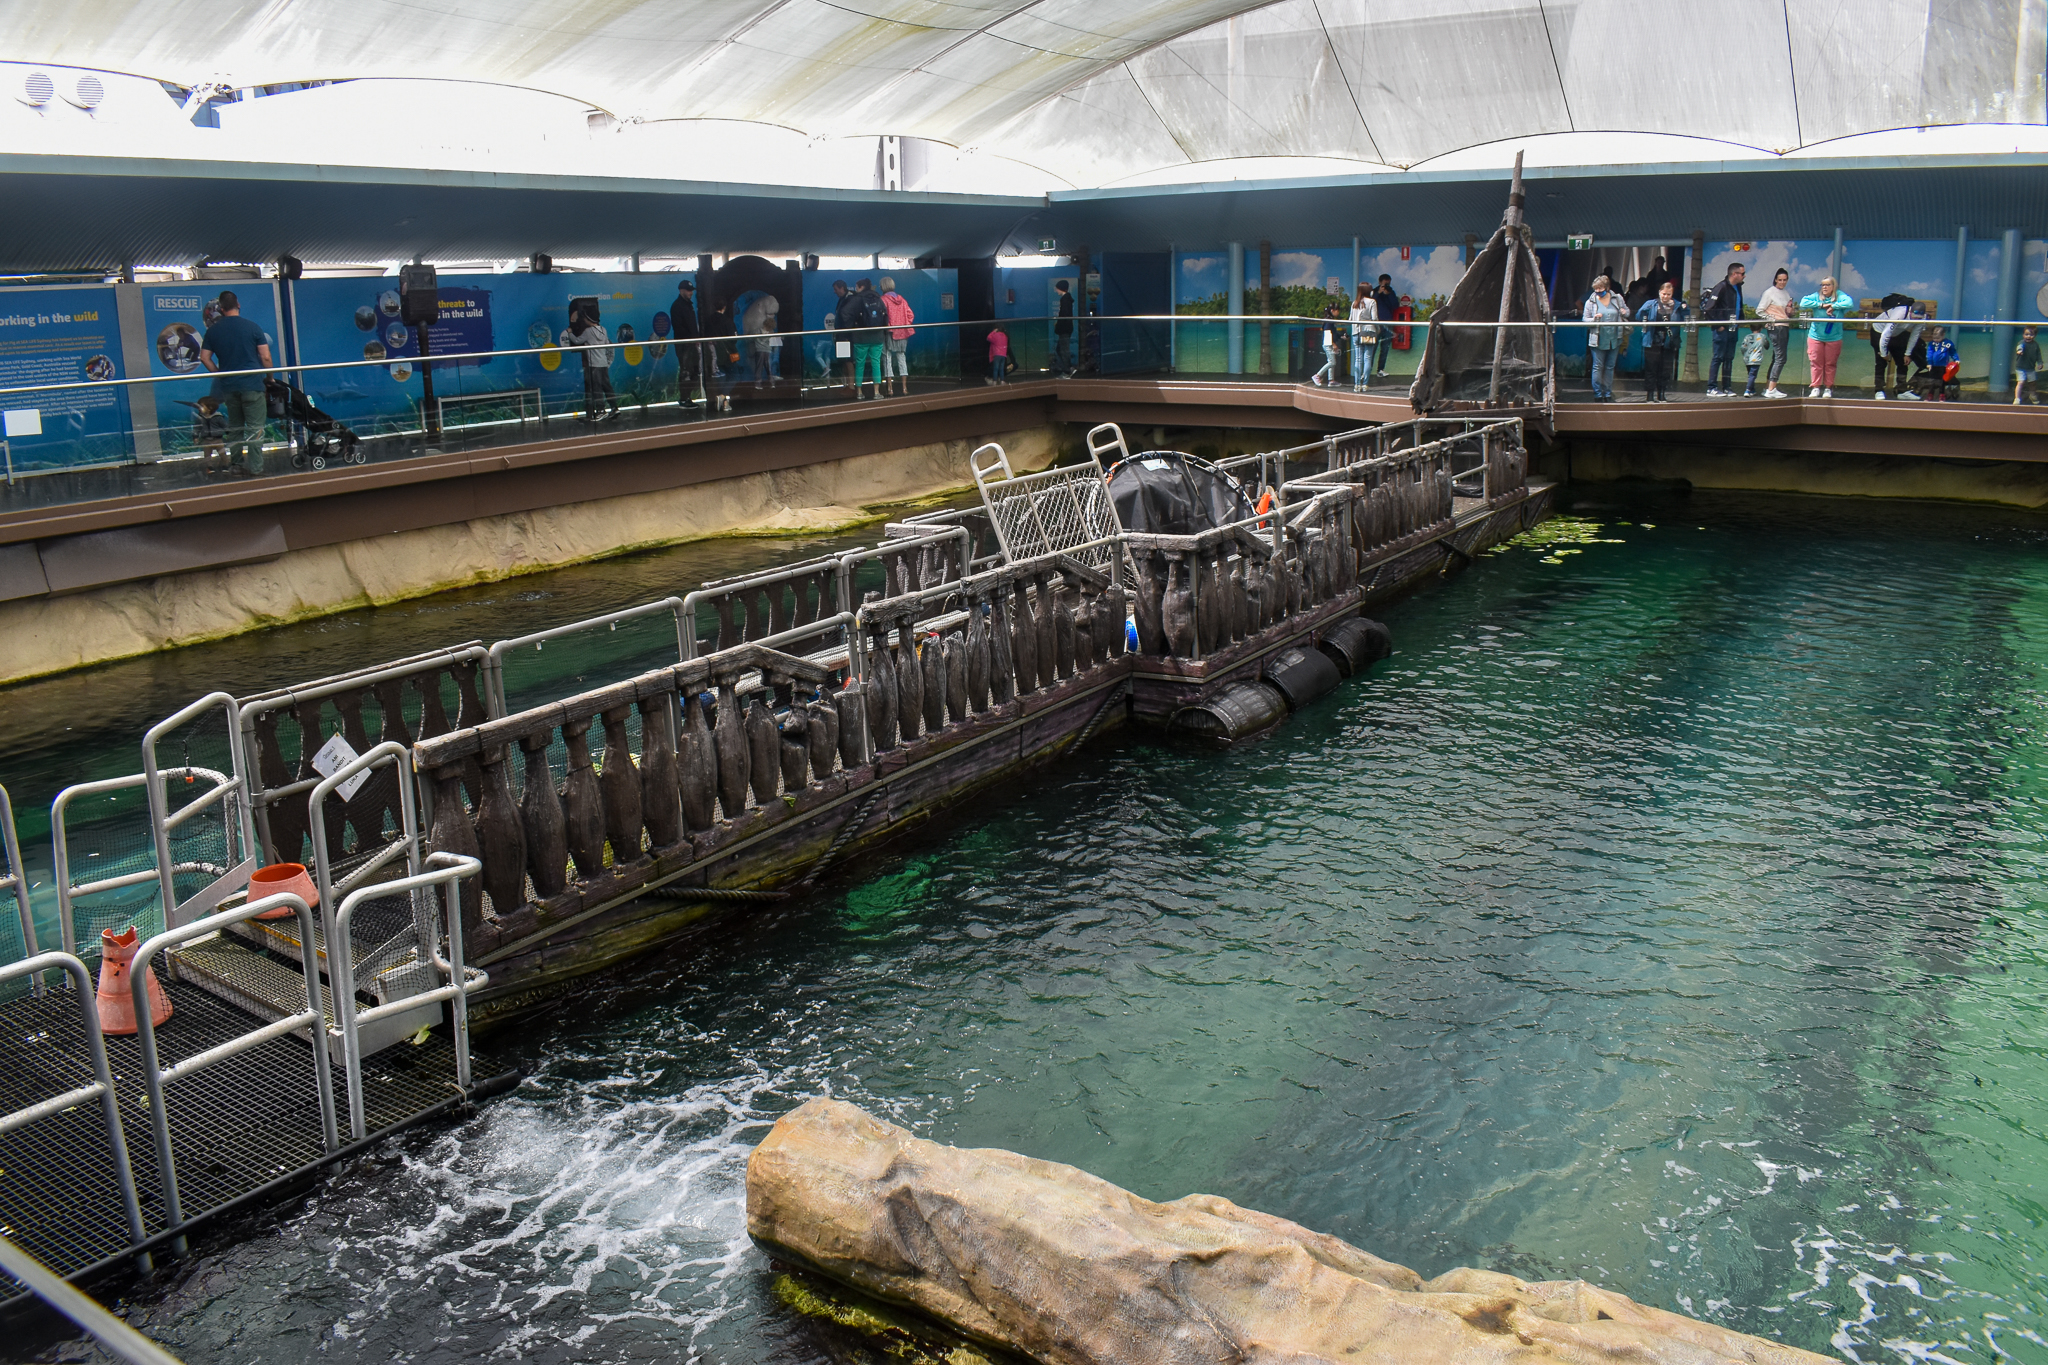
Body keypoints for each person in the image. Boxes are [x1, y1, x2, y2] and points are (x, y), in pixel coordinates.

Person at [198, 289, 272, 475]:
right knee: (255, 429)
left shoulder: (213, 331)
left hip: (230, 387)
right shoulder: (253, 327)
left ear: (221, 309)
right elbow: (265, 357)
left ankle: (236, 465)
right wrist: (269, 378)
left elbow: (204, 357)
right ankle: (256, 468)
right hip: (253, 386)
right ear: (238, 305)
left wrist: (220, 374)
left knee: (236, 428)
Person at [1798, 277, 1854, 398]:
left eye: (1827, 285)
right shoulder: (1817, 296)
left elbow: (1849, 303)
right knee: (1815, 362)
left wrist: (1834, 306)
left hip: (1834, 337)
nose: (1824, 287)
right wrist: (1821, 305)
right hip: (1815, 336)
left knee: (1830, 363)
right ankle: (1816, 387)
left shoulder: (1839, 295)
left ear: (1833, 286)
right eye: (1822, 285)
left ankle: (1828, 388)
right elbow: (1803, 303)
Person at [1634, 279, 1687, 402]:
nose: (1665, 297)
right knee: (1651, 368)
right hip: (1652, 339)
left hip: (1669, 341)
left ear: (1672, 294)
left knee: (1665, 369)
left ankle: (1662, 393)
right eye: (1664, 294)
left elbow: (1686, 319)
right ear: (1659, 293)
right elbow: (1638, 316)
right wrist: (1644, 311)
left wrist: (1685, 308)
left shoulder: (1677, 305)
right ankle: (1650, 395)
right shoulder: (1651, 303)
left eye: (1668, 294)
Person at [565, 304, 617, 422]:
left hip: (594, 365)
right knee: (607, 386)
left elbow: (577, 341)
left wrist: (570, 332)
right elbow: (607, 345)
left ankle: (600, 411)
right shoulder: (604, 330)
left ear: (588, 319)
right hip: (603, 364)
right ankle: (614, 407)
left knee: (596, 388)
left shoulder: (588, 331)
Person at [1700, 262, 1746, 396]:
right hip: (1722, 329)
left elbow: (1739, 305)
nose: (1744, 276)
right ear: (1734, 274)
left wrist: (1741, 321)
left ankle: (1727, 387)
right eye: (1742, 273)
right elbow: (1708, 309)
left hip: (1733, 328)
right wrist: (1717, 325)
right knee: (1718, 357)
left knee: (1729, 358)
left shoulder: (1738, 288)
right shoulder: (1721, 287)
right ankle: (1712, 387)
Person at [1581, 275, 1627, 401]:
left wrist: (1624, 312)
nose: (1598, 292)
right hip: (1598, 338)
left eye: (1600, 289)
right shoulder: (1590, 302)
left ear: (1607, 287)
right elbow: (1585, 319)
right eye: (1596, 289)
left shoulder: (1617, 299)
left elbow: (1627, 312)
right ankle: (1597, 393)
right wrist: (1594, 318)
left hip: (1614, 338)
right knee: (1597, 366)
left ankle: (1607, 392)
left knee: (1610, 366)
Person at [1872, 297, 1923, 400]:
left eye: (1919, 318)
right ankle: (1879, 390)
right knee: (1881, 362)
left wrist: (1907, 354)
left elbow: (1914, 336)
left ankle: (1901, 390)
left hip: (1896, 333)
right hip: (1879, 332)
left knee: (1903, 361)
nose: (1916, 320)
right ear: (1910, 312)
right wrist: (1883, 353)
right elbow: (1886, 334)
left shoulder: (1922, 319)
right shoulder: (1899, 314)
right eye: (1914, 317)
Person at [1755, 267, 1793, 398]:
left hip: (1784, 325)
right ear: (1775, 280)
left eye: (1784, 280)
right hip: (1776, 327)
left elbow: (1787, 313)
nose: (1782, 282)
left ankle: (1768, 387)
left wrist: (1789, 311)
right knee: (1781, 358)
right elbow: (1759, 310)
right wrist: (1771, 318)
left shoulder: (1787, 294)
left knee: (1776, 357)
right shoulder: (1769, 292)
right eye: (1780, 280)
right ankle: (1771, 389)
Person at [849, 277, 888, 400]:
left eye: (857, 287)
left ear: (861, 287)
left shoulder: (857, 300)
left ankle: (859, 391)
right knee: (876, 363)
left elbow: (849, 315)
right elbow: (885, 317)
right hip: (877, 337)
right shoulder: (879, 299)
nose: (856, 289)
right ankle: (876, 392)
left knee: (860, 364)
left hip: (861, 337)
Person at [878, 276, 917, 396]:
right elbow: (910, 315)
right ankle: (904, 388)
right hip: (903, 333)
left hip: (889, 333)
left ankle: (890, 389)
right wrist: (904, 324)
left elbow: (882, 317)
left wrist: (890, 326)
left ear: (883, 286)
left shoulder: (883, 299)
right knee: (901, 358)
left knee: (887, 359)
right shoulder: (902, 300)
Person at [669, 279, 702, 407]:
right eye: (688, 291)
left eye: (691, 291)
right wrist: (690, 339)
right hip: (684, 345)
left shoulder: (689, 305)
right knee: (686, 371)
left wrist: (696, 338)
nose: (691, 293)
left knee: (695, 370)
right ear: (681, 290)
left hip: (693, 344)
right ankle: (684, 398)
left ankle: (688, 397)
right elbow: (678, 327)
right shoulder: (677, 306)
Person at [831, 280, 860, 395]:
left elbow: (849, 317)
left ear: (842, 288)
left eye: (836, 289)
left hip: (847, 335)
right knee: (844, 360)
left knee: (848, 360)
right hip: (841, 334)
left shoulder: (851, 298)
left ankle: (851, 386)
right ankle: (847, 385)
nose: (834, 292)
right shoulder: (842, 299)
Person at [1348, 284, 1378, 391]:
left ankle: (1357, 384)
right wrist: (1378, 328)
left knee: (1358, 358)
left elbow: (1350, 319)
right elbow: (1374, 318)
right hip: (1368, 332)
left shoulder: (1354, 303)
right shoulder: (1372, 302)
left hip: (1356, 332)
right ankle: (1365, 384)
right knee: (1367, 358)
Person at [1371, 274, 1399, 376]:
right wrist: (1379, 292)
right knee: (1372, 348)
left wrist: (1389, 294)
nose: (1387, 285)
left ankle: (1380, 369)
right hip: (1376, 324)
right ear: (1380, 282)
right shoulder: (1374, 291)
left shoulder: (1391, 292)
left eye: (1388, 283)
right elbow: (1371, 302)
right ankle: (1368, 369)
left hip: (1388, 323)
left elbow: (1396, 305)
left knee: (1385, 348)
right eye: (1385, 283)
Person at [1311, 302, 1341, 387]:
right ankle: (1317, 375)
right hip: (1328, 344)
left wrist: (1341, 336)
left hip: (1329, 344)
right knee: (1332, 362)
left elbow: (1334, 333)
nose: (1338, 312)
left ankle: (1331, 380)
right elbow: (1328, 333)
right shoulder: (1328, 321)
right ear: (1332, 310)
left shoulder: (1330, 320)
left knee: (1330, 361)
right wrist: (1333, 343)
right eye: (1337, 310)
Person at [1053, 279, 1075, 374]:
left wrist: (1059, 325)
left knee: (1063, 349)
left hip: (1064, 329)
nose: (1056, 290)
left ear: (1061, 289)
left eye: (1057, 288)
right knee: (1061, 349)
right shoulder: (1067, 299)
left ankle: (1067, 369)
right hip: (1066, 328)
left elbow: (1064, 315)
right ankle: (1067, 367)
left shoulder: (1065, 300)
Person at [1738, 323, 1767, 397]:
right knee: (1752, 375)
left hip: (1747, 359)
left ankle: (1752, 390)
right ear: (1761, 328)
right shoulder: (1762, 336)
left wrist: (1745, 354)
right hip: (1756, 359)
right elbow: (1767, 346)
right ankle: (1747, 390)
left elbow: (1743, 347)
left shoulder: (1747, 336)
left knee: (1750, 374)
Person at [2016, 327, 2040, 405]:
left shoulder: (2035, 345)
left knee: (2032, 383)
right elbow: (2019, 347)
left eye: (2031, 335)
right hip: (2020, 367)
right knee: (2021, 382)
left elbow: (2038, 355)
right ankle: (2017, 398)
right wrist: (2019, 351)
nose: (2028, 336)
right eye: (2026, 334)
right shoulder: (2021, 343)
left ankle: (2032, 395)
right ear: (2023, 335)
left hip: (2031, 368)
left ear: (2035, 336)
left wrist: (2040, 362)